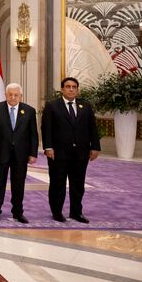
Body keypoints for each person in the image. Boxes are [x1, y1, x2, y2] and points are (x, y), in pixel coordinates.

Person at [41, 77, 100, 223]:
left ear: (77, 89)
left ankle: (76, 212)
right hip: (58, 154)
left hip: (80, 153)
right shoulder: (52, 105)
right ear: (62, 89)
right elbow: (46, 128)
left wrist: (95, 147)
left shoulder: (85, 106)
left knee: (78, 185)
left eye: (74, 87)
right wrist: (48, 147)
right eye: (68, 86)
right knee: (57, 184)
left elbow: (92, 128)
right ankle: (57, 212)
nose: (71, 89)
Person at [0, 83, 39, 223]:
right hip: (0, 153)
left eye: (16, 95)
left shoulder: (29, 111)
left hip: (21, 155)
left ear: (21, 96)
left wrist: (33, 153)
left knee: (18, 184)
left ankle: (18, 212)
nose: (13, 97)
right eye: (10, 94)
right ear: (6, 95)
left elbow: (34, 134)